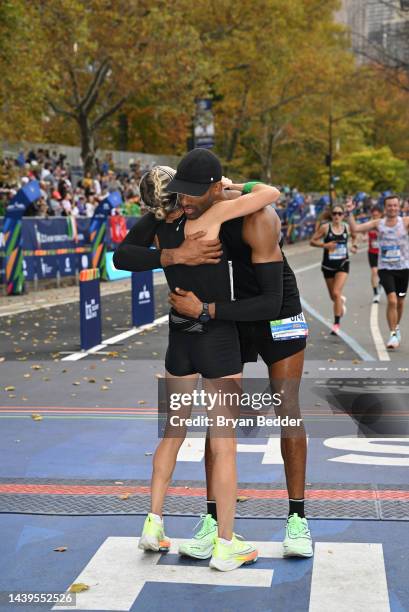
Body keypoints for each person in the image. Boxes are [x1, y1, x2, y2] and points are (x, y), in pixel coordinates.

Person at [114, 158, 313, 563]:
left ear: (215, 188)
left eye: (191, 190)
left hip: (276, 314)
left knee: (286, 408)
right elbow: (129, 252)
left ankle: (297, 516)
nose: (183, 198)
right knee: (221, 419)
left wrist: (205, 311)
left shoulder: (251, 215)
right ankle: (213, 519)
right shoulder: (188, 216)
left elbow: (271, 300)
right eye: (179, 191)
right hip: (226, 313)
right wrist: (174, 260)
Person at [346, 195, 409, 349]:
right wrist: (349, 213)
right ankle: (393, 334)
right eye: (389, 206)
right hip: (385, 268)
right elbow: (355, 229)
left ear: (399, 207)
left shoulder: (405, 222)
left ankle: (397, 326)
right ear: (385, 208)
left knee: (400, 302)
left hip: (403, 268)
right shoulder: (378, 223)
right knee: (392, 300)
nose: (392, 208)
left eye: (395, 205)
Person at [310, 203, 357, 335]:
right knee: (333, 297)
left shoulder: (347, 228)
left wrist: (354, 246)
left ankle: (336, 324)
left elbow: (354, 236)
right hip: (327, 266)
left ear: (343, 216)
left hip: (343, 264)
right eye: (334, 213)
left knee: (336, 292)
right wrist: (325, 245)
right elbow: (312, 241)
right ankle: (340, 301)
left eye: (339, 213)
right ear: (331, 215)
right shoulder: (325, 228)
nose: (337, 216)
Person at [367, 206, 382, 304]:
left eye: (377, 215)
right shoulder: (369, 224)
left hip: (383, 253)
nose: (375, 217)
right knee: (374, 272)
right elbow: (362, 233)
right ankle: (376, 293)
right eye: (373, 215)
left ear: (380, 215)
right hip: (372, 252)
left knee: (382, 274)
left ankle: (381, 284)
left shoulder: (384, 223)